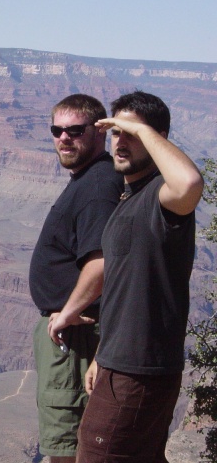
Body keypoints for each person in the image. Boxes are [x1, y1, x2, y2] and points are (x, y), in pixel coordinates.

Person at [75, 91, 204, 462]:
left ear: (158, 137)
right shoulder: (129, 197)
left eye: (130, 133)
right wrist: (103, 354)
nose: (120, 141)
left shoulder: (163, 198)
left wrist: (143, 131)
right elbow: (124, 287)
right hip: (121, 361)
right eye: (116, 132)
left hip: (138, 369)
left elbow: (189, 183)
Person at [29, 94, 124, 462]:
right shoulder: (91, 178)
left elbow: (101, 262)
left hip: (76, 338)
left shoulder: (97, 186)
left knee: (66, 448)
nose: (64, 138)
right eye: (57, 131)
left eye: (75, 130)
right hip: (73, 335)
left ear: (99, 132)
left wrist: (67, 313)